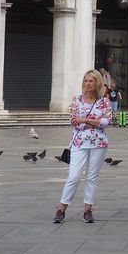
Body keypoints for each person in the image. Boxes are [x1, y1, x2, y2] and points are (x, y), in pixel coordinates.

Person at [53, 69, 113, 224]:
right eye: (86, 81)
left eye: (91, 81)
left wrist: (84, 120)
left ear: (97, 83)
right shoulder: (77, 100)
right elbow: (73, 121)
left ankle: (88, 210)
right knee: (74, 175)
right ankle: (61, 208)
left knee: (92, 176)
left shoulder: (104, 101)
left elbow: (107, 121)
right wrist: (93, 121)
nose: (88, 84)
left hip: (99, 143)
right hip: (79, 142)